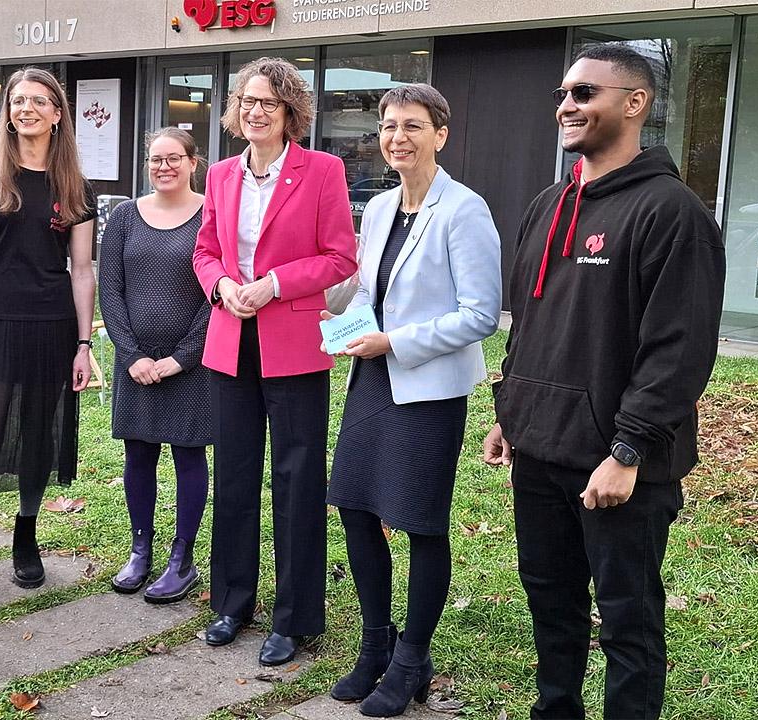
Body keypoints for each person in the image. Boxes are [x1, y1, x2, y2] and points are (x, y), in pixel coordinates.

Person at [483, 43, 725, 719]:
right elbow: (529, 321)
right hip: (541, 451)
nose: (567, 105)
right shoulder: (547, 204)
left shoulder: (672, 212)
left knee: (628, 623)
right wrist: (512, 408)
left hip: (620, 469)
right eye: (564, 93)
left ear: (635, 103)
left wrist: (629, 451)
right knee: (552, 608)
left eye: (585, 93)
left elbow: (678, 352)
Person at [322, 84, 501, 717]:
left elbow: (481, 316)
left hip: (427, 389)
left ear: (441, 134)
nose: (398, 137)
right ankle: (375, 647)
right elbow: (366, 286)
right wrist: (316, 295)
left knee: (421, 523)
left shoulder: (464, 210)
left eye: (413, 126)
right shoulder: (378, 207)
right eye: (390, 126)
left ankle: (412, 659)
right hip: (371, 379)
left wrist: (394, 340)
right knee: (355, 507)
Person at [193, 57, 357, 666]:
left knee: (296, 478)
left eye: (269, 102)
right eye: (247, 101)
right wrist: (221, 288)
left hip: (293, 344)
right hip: (229, 340)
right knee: (234, 475)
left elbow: (340, 259)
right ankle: (232, 602)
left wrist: (275, 284)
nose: (255, 111)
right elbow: (206, 250)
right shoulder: (219, 175)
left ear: (290, 112)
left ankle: (294, 617)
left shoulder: (323, 170)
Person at [0, 67, 96, 610]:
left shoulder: (75, 186)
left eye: (38, 101)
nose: (26, 108)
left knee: (39, 433)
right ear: (7, 111)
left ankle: (25, 535)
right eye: (17, 100)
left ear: (58, 113)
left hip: (53, 328)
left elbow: (82, 270)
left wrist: (84, 344)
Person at [100, 128, 211, 604]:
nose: (163, 167)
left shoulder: (212, 215)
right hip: (137, 366)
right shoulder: (125, 217)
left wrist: (179, 359)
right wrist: (134, 356)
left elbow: (217, 293)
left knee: (188, 455)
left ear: (192, 162)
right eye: (154, 160)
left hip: (191, 364)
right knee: (138, 455)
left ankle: (181, 559)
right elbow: (111, 291)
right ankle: (140, 550)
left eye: (173, 158)